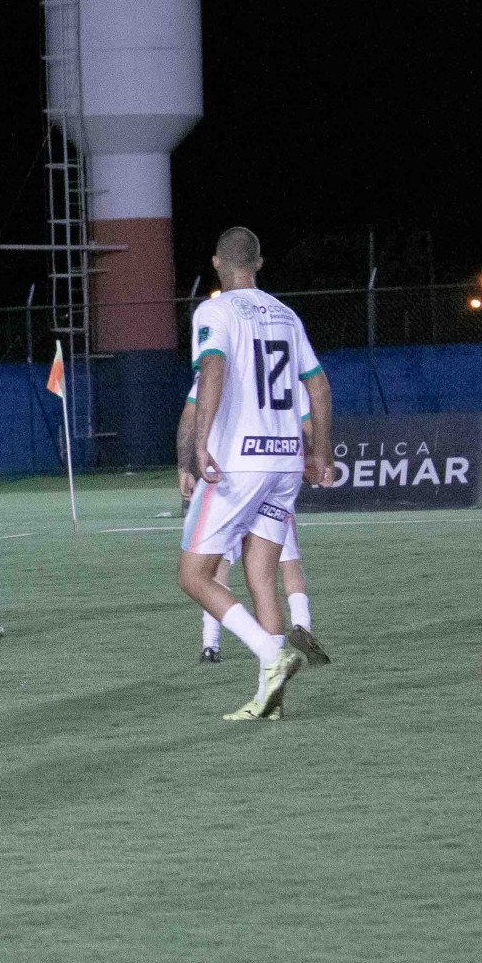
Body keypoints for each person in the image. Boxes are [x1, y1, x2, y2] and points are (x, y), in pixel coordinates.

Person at [176, 227, 333, 721]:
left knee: (194, 575)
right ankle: (270, 698)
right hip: (284, 460)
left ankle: (270, 653)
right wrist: (321, 454)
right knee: (263, 575)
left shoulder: (215, 311)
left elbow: (213, 369)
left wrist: (200, 445)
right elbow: (319, 387)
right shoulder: (286, 314)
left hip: (239, 464)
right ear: (259, 263)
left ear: (216, 262)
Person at [177, 376, 328, 665]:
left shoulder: (224, 363)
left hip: (233, 476)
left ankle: (212, 643)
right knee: (275, 570)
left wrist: (186, 464)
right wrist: (320, 456)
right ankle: (301, 625)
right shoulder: (289, 367)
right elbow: (315, 403)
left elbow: (193, 410)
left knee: (206, 570)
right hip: (278, 472)